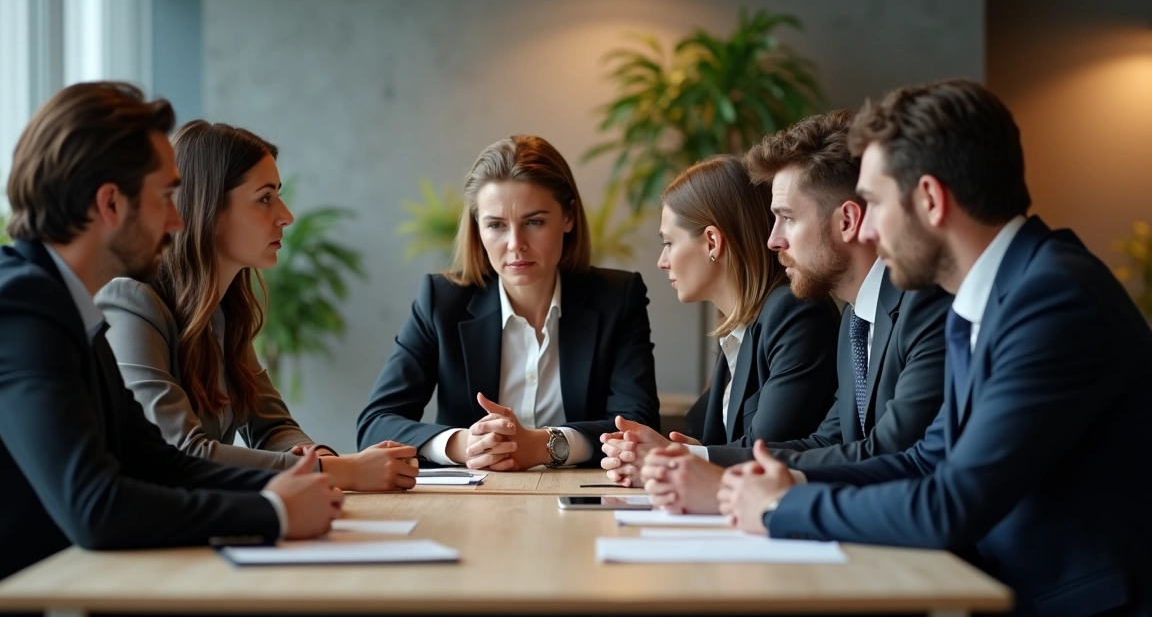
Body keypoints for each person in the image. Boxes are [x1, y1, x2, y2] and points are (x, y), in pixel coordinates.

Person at [718, 79, 1152, 616]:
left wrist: (782, 505)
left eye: (874, 203)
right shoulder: (993, 292)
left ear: (929, 199)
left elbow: (952, 504)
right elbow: (929, 457)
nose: (868, 229)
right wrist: (789, 480)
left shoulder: (1054, 299)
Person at [0, 82, 342, 616]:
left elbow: (156, 460)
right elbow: (96, 507)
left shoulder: (61, 300)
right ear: (109, 203)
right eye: (165, 199)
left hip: (55, 588)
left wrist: (299, 483)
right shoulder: (16, 308)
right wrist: (272, 513)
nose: (178, 222)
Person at [640, 111, 950, 514]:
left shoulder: (923, 305)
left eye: (787, 218)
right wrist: (697, 463)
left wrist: (758, 496)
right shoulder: (856, 322)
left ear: (847, 221)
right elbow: (830, 442)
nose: (772, 240)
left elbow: (891, 452)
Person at [96, 120, 417, 491]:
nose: (286, 215)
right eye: (265, 198)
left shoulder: (223, 313)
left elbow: (272, 427)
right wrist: (340, 472)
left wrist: (327, 461)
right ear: (209, 209)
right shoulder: (130, 303)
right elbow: (181, 451)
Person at [356, 135, 660, 470]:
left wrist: (547, 445)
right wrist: (463, 445)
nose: (516, 244)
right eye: (497, 225)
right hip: (472, 504)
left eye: (534, 222)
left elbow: (637, 426)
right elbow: (375, 424)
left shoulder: (617, 298)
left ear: (569, 217)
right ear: (477, 228)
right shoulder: (442, 301)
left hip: (580, 499)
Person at [601, 154, 840, 487]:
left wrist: (672, 457)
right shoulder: (738, 328)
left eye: (669, 243)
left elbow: (767, 450)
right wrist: (654, 453)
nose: (662, 261)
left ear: (712, 241)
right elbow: (714, 443)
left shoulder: (795, 311)